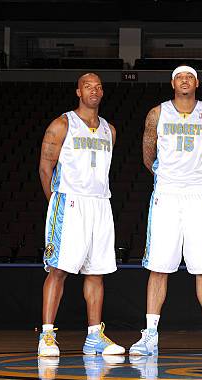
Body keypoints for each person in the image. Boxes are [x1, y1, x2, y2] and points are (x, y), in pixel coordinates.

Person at [130, 65, 202, 356]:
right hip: (167, 193)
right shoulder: (157, 113)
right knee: (159, 266)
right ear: (172, 83)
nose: (185, 81)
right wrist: (169, 175)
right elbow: (149, 156)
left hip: (199, 193)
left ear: (197, 82)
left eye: (189, 77)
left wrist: (197, 175)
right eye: (179, 77)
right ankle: (149, 335)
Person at [38, 73, 124, 357]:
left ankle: (94, 338)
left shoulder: (109, 130)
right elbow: (45, 168)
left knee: (96, 272)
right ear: (78, 91)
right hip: (69, 201)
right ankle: (47, 335)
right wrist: (56, 205)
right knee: (59, 269)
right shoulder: (62, 124)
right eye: (88, 86)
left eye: (98, 86)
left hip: (100, 203)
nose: (94, 91)